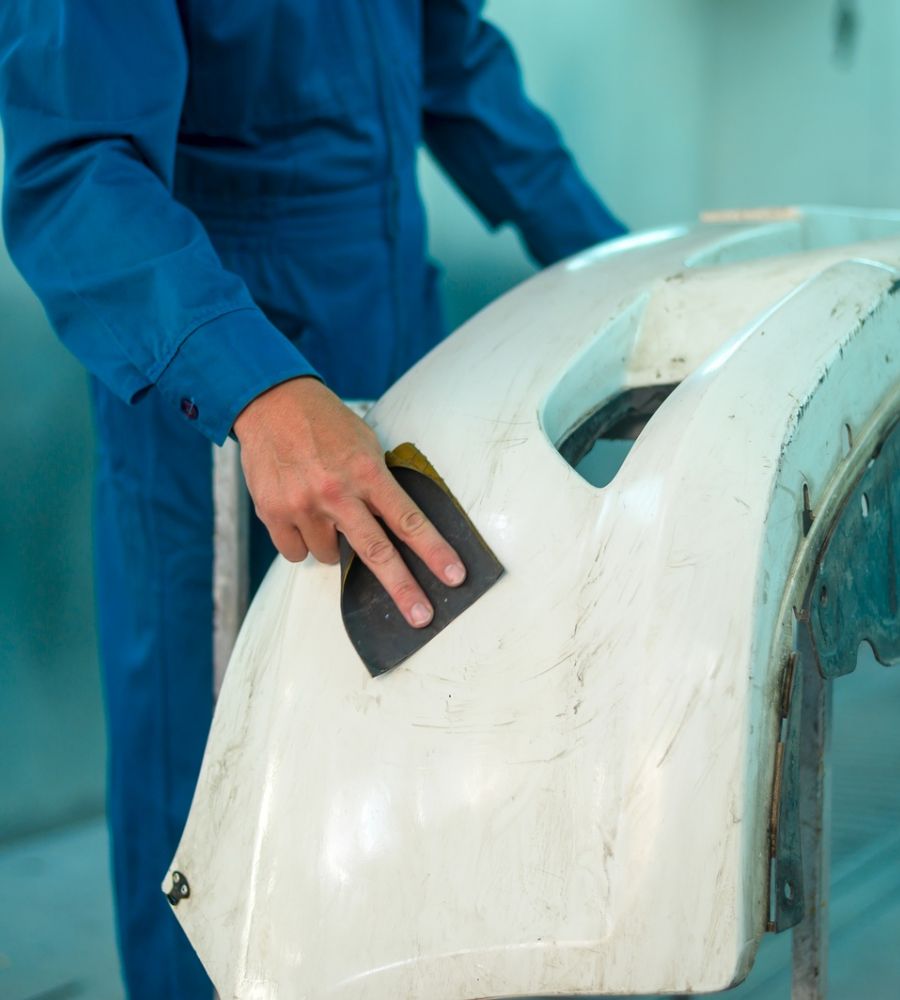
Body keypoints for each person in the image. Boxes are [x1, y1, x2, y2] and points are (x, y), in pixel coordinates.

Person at [0, 2, 625, 997]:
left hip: (398, 359)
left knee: (399, 774)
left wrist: (614, 264)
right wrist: (255, 387)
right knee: (218, 798)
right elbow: (76, 168)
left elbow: (456, 63)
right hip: (225, 415)